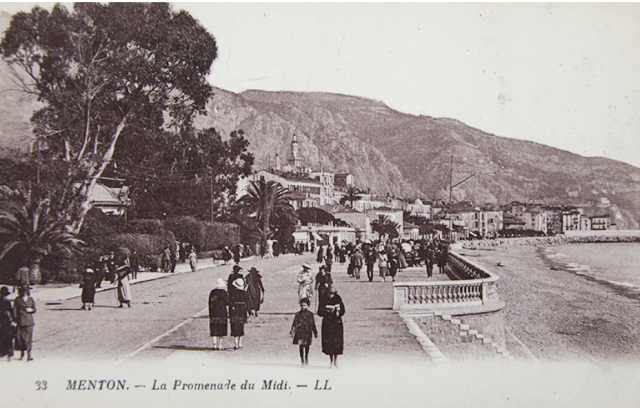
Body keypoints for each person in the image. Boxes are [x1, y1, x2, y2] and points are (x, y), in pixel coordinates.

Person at [317, 284, 345, 368]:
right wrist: (326, 310)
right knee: (329, 343)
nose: (330, 295)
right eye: (329, 293)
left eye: (332, 293)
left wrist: (338, 311)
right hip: (327, 323)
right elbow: (319, 312)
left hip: (337, 323)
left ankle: (336, 361)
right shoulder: (324, 299)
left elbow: (343, 311)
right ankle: (331, 361)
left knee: (337, 342)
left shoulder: (338, 299)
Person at [290, 298, 317, 367]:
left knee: (307, 346)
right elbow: (294, 323)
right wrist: (292, 331)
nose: (303, 307)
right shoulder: (298, 314)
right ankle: (302, 360)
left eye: (305, 305)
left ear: (308, 306)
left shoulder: (310, 314)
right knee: (301, 346)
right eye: (302, 305)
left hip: (307, 332)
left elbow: (313, 324)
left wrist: (315, 332)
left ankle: (306, 357)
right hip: (300, 332)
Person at [227, 265, 248, 349]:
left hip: (234, 305)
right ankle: (240, 343)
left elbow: (229, 286)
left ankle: (235, 343)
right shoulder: (240, 276)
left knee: (234, 325)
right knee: (241, 325)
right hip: (242, 308)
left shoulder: (231, 276)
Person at [14, 285, 36, 361]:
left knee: (29, 339)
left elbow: (34, 309)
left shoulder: (30, 299)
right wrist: (15, 320)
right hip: (21, 321)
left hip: (29, 321)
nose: (24, 292)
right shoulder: (17, 300)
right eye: (23, 290)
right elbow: (15, 310)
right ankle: (22, 354)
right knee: (21, 338)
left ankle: (29, 355)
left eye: (26, 290)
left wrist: (31, 310)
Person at [208, 278, 230, 350]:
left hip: (214, 312)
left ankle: (214, 344)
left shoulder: (212, 292)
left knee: (214, 327)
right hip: (222, 311)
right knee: (222, 328)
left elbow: (210, 303)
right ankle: (220, 345)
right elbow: (227, 302)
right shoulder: (224, 292)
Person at [0, 286, 15, 361]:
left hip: (3, 322)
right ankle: (8, 353)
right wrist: (13, 320)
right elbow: (11, 312)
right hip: (6, 322)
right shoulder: (6, 302)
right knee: (8, 338)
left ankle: (2, 353)